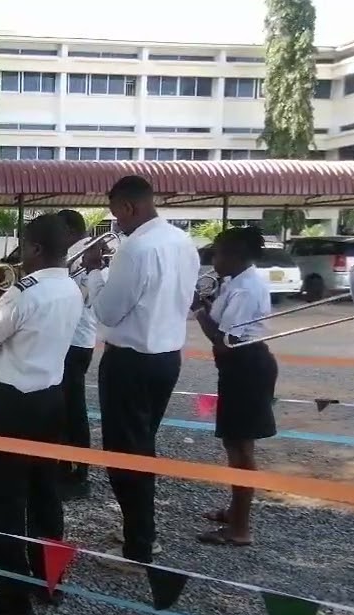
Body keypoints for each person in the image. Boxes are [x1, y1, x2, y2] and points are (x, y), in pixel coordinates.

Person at [0, 214, 82, 615]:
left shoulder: (22, 292)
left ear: (35, 248)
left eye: (23, 245)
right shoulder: (71, 287)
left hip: (14, 405)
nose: (19, 254)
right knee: (45, 494)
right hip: (52, 400)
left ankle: (12, 600)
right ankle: (49, 581)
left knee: (4, 501)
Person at [88, 175, 200, 568]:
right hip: (167, 358)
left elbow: (107, 312)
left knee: (126, 454)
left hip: (130, 362)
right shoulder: (183, 241)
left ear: (129, 207)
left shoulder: (135, 248)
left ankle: (139, 548)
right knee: (142, 448)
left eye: (116, 214)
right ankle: (138, 530)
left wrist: (94, 273)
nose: (116, 223)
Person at [191, 226, 278, 547]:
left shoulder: (245, 289)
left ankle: (240, 528)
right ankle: (235, 510)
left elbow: (224, 341)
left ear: (234, 255)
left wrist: (197, 309)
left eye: (217, 253)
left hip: (246, 367)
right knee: (233, 442)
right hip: (239, 367)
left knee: (241, 449)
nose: (213, 259)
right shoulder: (235, 282)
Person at [55, 209, 98, 501]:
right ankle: (67, 467)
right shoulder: (82, 253)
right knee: (66, 407)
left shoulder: (84, 255)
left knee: (72, 410)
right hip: (74, 339)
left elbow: (81, 296)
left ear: (68, 230)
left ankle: (78, 473)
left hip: (75, 340)